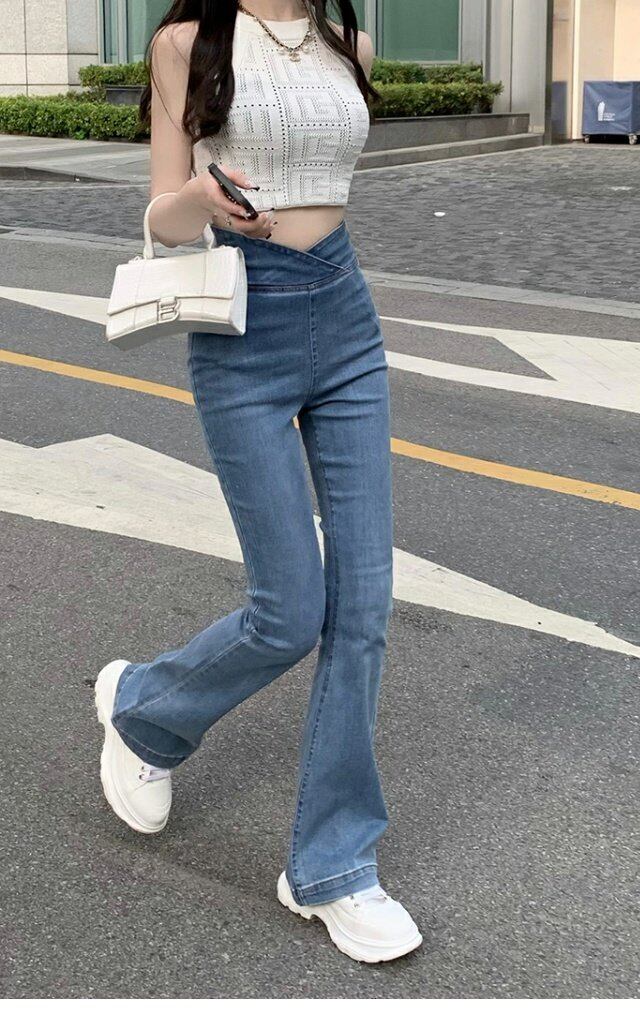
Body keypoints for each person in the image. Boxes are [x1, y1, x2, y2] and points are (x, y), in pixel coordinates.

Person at [94, 0, 422, 965]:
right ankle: (146, 711)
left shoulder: (350, 45)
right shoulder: (185, 44)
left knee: (364, 606)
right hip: (242, 324)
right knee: (288, 612)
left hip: (345, 314)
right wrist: (203, 196)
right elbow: (160, 213)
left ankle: (333, 867)